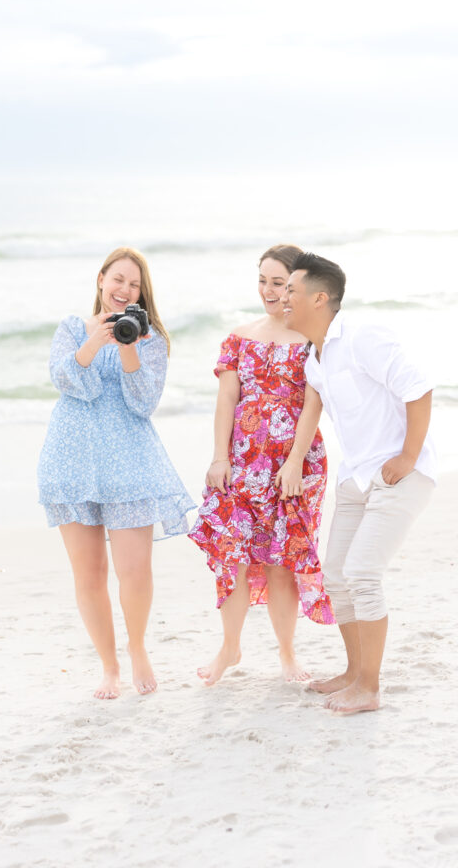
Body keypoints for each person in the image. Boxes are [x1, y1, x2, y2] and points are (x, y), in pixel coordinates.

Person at [282, 252, 436, 715]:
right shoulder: (315, 357)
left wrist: (408, 455)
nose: (282, 298)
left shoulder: (363, 336)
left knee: (363, 574)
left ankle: (369, 688)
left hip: (397, 475)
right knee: (336, 577)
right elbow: (316, 412)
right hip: (355, 479)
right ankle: (353, 672)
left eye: (291, 290)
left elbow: (419, 386)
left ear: (320, 297)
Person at [37, 247, 195, 700]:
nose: (124, 290)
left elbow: (143, 402)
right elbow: (67, 382)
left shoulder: (153, 340)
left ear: (141, 293)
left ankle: (138, 647)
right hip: (71, 458)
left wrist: (128, 348)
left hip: (129, 460)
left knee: (135, 570)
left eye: (134, 284)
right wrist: (96, 341)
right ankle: (109, 667)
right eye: (118, 279)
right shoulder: (71, 329)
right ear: (101, 279)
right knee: (88, 574)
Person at [189, 244, 333, 687]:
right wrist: (219, 458)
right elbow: (227, 400)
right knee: (231, 556)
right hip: (241, 463)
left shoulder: (312, 339)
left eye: (279, 283)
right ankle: (229, 648)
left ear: (297, 286)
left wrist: (292, 464)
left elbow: (314, 403)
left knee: (280, 562)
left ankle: (287, 654)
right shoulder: (238, 336)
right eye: (263, 280)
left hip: (294, 464)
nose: (270, 291)